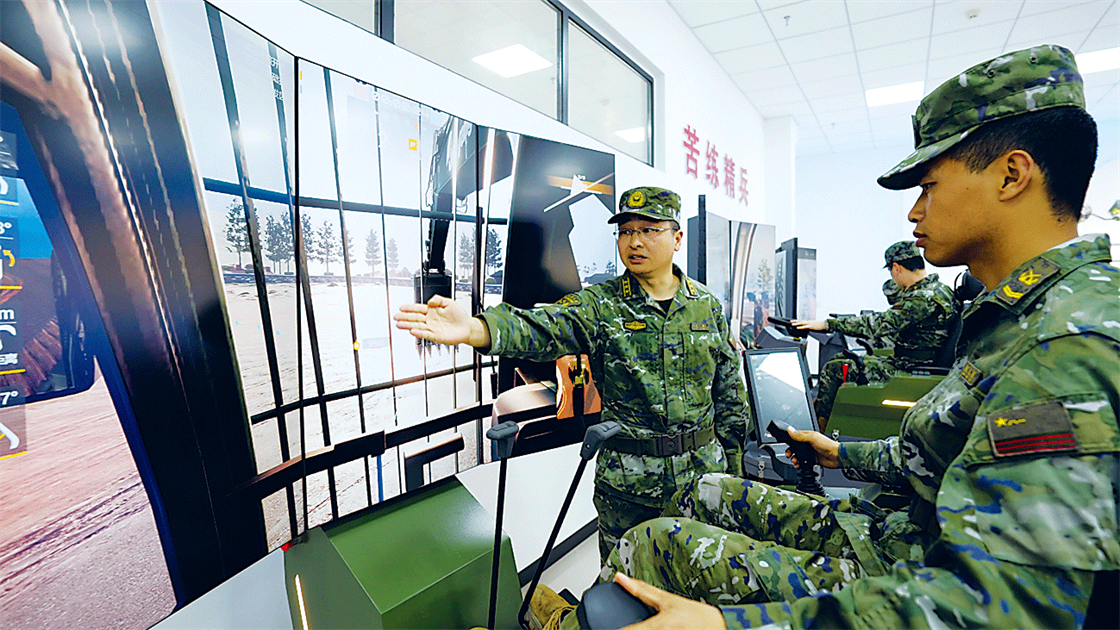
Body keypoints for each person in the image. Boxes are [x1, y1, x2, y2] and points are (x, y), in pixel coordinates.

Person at [546, 44, 1118, 630]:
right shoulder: (1026, 316)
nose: (915, 212)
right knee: (705, 493)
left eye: (928, 185)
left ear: (1011, 175)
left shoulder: (1065, 343)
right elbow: (945, 453)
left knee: (656, 544)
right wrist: (843, 454)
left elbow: (1001, 608)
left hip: (912, 573)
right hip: (897, 533)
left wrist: (725, 625)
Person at [393, 187, 752, 562]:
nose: (634, 241)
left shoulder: (707, 308)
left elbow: (730, 399)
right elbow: (543, 326)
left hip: (702, 478)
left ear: (676, 238)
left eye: (648, 230)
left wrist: (734, 478)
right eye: (626, 231)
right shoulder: (601, 305)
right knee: (623, 585)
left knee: (700, 578)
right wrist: (475, 329)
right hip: (630, 488)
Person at [792, 240, 957, 429]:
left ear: (896, 268)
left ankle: (820, 431)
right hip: (918, 363)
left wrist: (827, 324)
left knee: (834, 369)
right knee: (840, 360)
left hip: (911, 369)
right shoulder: (940, 290)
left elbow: (879, 324)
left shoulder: (922, 298)